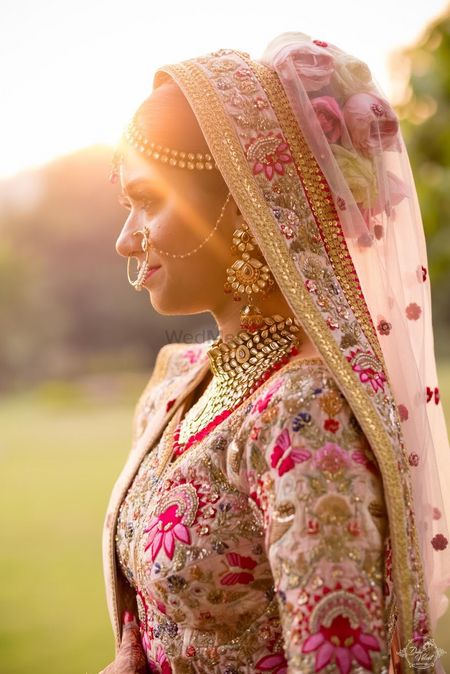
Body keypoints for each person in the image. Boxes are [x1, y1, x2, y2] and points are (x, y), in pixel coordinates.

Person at [100, 32, 450, 674]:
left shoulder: (303, 414)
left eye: (147, 202)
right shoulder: (178, 382)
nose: (126, 240)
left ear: (242, 203)